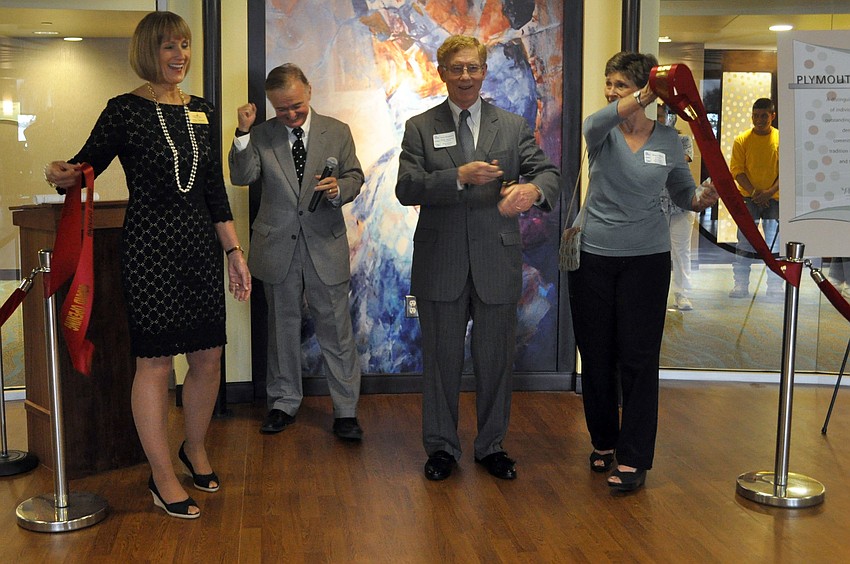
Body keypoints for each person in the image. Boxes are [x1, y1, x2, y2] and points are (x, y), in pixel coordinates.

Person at [44, 11, 251, 519]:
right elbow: (83, 167)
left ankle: (193, 448)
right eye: (168, 47)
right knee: (155, 363)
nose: (180, 55)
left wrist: (234, 253)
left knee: (208, 357)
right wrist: (61, 173)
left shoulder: (202, 111)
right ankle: (161, 476)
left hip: (200, 249)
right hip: (149, 250)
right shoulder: (124, 110)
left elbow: (213, 191)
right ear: (148, 52)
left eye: (185, 45)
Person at [395, 35, 560, 481]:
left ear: (484, 71)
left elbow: (547, 172)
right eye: (456, 68)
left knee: (495, 363)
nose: (465, 76)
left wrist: (533, 190)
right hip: (441, 263)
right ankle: (441, 449)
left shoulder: (511, 126)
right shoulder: (419, 127)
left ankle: (491, 446)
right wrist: (458, 176)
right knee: (441, 364)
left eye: (473, 67)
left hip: (495, 262)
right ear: (441, 73)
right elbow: (406, 187)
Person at [569, 51, 718, 492]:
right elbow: (593, 122)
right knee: (597, 355)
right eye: (609, 83)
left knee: (638, 358)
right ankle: (603, 440)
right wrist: (644, 94)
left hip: (647, 262)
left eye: (621, 84)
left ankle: (634, 457)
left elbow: (683, 193)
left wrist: (702, 198)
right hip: (593, 258)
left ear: (641, 88)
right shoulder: (602, 132)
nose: (611, 91)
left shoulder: (670, 140)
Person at [229, 64, 364, 441]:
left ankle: (346, 410)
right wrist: (242, 133)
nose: (290, 114)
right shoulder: (260, 134)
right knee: (281, 330)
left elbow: (355, 176)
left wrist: (339, 189)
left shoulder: (337, 131)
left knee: (337, 332)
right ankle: (283, 402)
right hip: (277, 249)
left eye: (296, 105)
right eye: (282, 108)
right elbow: (242, 177)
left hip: (325, 245)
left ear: (309, 91)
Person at [729, 98, 781, 299]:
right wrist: (755, 193)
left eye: (764, 116)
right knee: (744, 243)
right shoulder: (742, 140)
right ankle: (740, 285)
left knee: (774, 244)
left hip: (774, 199)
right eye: (755, 115)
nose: (759, 120)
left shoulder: (781, 138)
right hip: (748, 199)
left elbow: (787, 170)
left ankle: (775, 286)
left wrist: (768, 192)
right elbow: (737, 171)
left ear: (772, 116)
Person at [657, 103, 697, 311]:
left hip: (680, 203)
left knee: (681, 251)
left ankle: (682, 294)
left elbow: (682, 159)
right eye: (654, 115)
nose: (658, 119)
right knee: (657, 251)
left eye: (661, 115)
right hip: (655, 204)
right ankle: (655, 293)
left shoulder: (683, 140)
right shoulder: (645, 141)